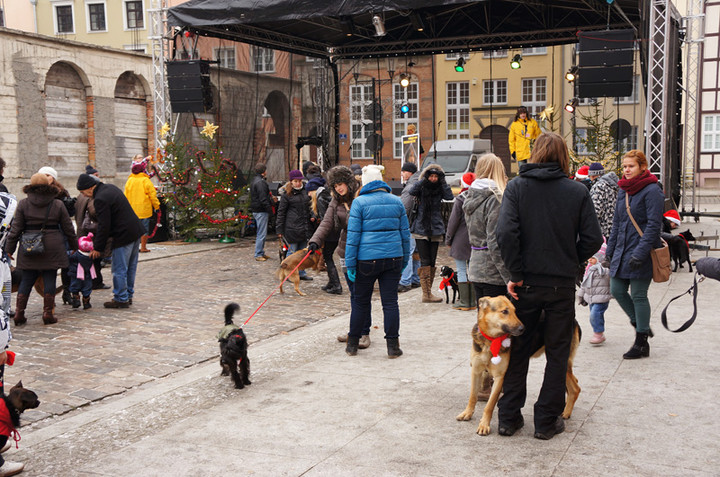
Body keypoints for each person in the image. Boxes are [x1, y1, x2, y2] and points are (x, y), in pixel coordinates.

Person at [496, 132, 602, 440]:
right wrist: (572, 261)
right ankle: (545, 420)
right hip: (560, 285)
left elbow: (505, 235)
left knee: (518, 349)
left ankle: (509, 418)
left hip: (526, 284)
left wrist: (515, 273)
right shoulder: (577, 190)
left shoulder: (517, 188)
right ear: (563, 156)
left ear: (535, 154)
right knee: (557, 354)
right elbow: (593, 238)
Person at [344, 165, 410, 358]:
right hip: (393, 258)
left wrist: (350, 264)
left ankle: (352, 344)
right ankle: (392, 346)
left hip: (366, 259)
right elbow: (405, 234)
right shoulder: (396, 201)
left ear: (364, 183)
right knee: (390, 303)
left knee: (360, 303)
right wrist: (404, 258)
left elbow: (353, 237)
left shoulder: (359, 203)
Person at [606, 150, 664, 360]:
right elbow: (617, 223)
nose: (627, 170)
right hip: (622, 249)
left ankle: (641, 343)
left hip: (642, 250)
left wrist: (640, 252)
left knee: (639, 295)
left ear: (642, 167)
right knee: (616, 289)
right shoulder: (624, 190)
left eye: (631, 166)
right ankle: (641, 324)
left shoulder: (652, 190)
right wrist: (610, 250)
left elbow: (653, 226)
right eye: (624, 166)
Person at [5, 173, 78, 325]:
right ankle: (47, 314)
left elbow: (16, 229)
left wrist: (9, 249)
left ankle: (19, 313)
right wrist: (74, 245)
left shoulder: (24, 203)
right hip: (52, 245)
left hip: (29, 245)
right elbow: (68, 228)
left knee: (27, 278)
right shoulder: (57, 204)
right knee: (50, 277)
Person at [307, 166, 368, 345]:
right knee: (354, 294)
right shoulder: (336, 201)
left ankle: (363, 332)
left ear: (348, 183)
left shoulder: (361, 197)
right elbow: (326, 223)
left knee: (361, 293)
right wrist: (315, 241)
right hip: (345, 250)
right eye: (335, 186)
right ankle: (355, 330)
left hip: (362, 250)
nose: (339, 188)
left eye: (341, 184)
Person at [76, 173, 145, 308]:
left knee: (119, 268)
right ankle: (128, 295)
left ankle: (120, 298)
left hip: (123, 235)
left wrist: (97, 248)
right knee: (130, 268)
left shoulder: (100, 199)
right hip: (135, 231)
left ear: (90, 188)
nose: (84, 196)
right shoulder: (111, 188)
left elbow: (104, 225)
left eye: (83, 192)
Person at [463, 153, 511, 301]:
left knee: (483, 320)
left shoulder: (471, 195)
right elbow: (495, 241)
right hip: (493, 271)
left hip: (476, 266)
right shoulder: (495, 198)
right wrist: (509, 276)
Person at [408, 164, 454, 303]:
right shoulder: (421, 186)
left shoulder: (440, 187)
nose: (433, 179)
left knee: (432, 261)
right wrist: (423, 178)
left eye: (436, 176)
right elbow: (412, 191)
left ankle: (428, 292)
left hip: (435, 226)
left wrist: (443, 181)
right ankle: (426, 293)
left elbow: (449, 196)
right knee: (425, 260)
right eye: (431, 176)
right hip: (421, 226)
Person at [38, 166, 76, 307]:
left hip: (62, 232)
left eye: (49, 175)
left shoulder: (62, 192)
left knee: (67, 264)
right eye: (44, 175)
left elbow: (70, 214)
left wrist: (70, 205)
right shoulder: (36, 193)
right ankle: (48, 297)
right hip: (45, 233)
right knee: (49, 266)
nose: (46, 178)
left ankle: (67, 292)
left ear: (53, 177)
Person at [445, 172, 476, 310]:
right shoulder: (479, 197)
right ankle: (474, 301)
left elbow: (453, 222)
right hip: (476, 239)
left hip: (461, 239)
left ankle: (464, 301)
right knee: (473, 270)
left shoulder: (460, 199)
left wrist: (448, 239)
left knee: (462, 270)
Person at [276, 169, 314, 281]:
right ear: (291, 182)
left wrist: (313, 216)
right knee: (292, 252)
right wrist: (279, 229)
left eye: (299, 181)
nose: (298, 183)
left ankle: (301, 272)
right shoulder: (286, 195)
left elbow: (311, 206)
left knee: (303, 253)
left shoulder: (306, 191)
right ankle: (288, 273)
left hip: (305, 226)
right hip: (291, 228)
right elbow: (281, 212)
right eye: (295, 181)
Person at [124, 158, 160, 253]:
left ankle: (133, 248)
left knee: (133, 229)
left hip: (132, 209)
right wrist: (157, 206)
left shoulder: (129, 181)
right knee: (144, 229)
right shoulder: (145, 180)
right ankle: (143, 247)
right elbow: (153, 195)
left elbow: (125, 196)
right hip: (144, 209)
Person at [578, 246, 611, 345]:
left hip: (601, 297)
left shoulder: (604, 270)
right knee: (596, 316)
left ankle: (598, 334)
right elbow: (584, 284)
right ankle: (599, 333)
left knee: (595, 315)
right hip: (591, 297)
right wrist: (581, 296)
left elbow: (611, 280)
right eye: (589, 258)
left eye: (593, 258)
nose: (589, 260)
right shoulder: (589, 270)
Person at [398, 162, 421, 293]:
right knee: (416, 252)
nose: (402, 174)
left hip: (410, 223)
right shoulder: (420, 182)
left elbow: (404, 207)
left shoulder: (410, 186)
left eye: (404, 171)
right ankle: (415, 279)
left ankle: (405, 281)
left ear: (410, 172)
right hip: (419, 224)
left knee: (408, 252)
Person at [249, 163, 274, 262]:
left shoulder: (255, 181)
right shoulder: (261, 183)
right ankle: (258, 253)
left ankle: (261, 252)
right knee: (261, 233)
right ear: (264, 172)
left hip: (256, 209)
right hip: (261, 210)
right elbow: (263, 198)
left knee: (261, 232)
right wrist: (269, 210)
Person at [67, 234, 97, 310]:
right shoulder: (91, 255)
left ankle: (76, 299)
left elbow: (68, 256)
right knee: (87, 289)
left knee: (75, 287)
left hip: (75, 275)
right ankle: (86, 302)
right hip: (87, 275)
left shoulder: (75, 255)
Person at [590, 169, 620, 238]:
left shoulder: (599, 186)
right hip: (614, 229)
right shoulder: (615, 185)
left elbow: (595, 211)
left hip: (602, 231)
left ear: (593, 175)